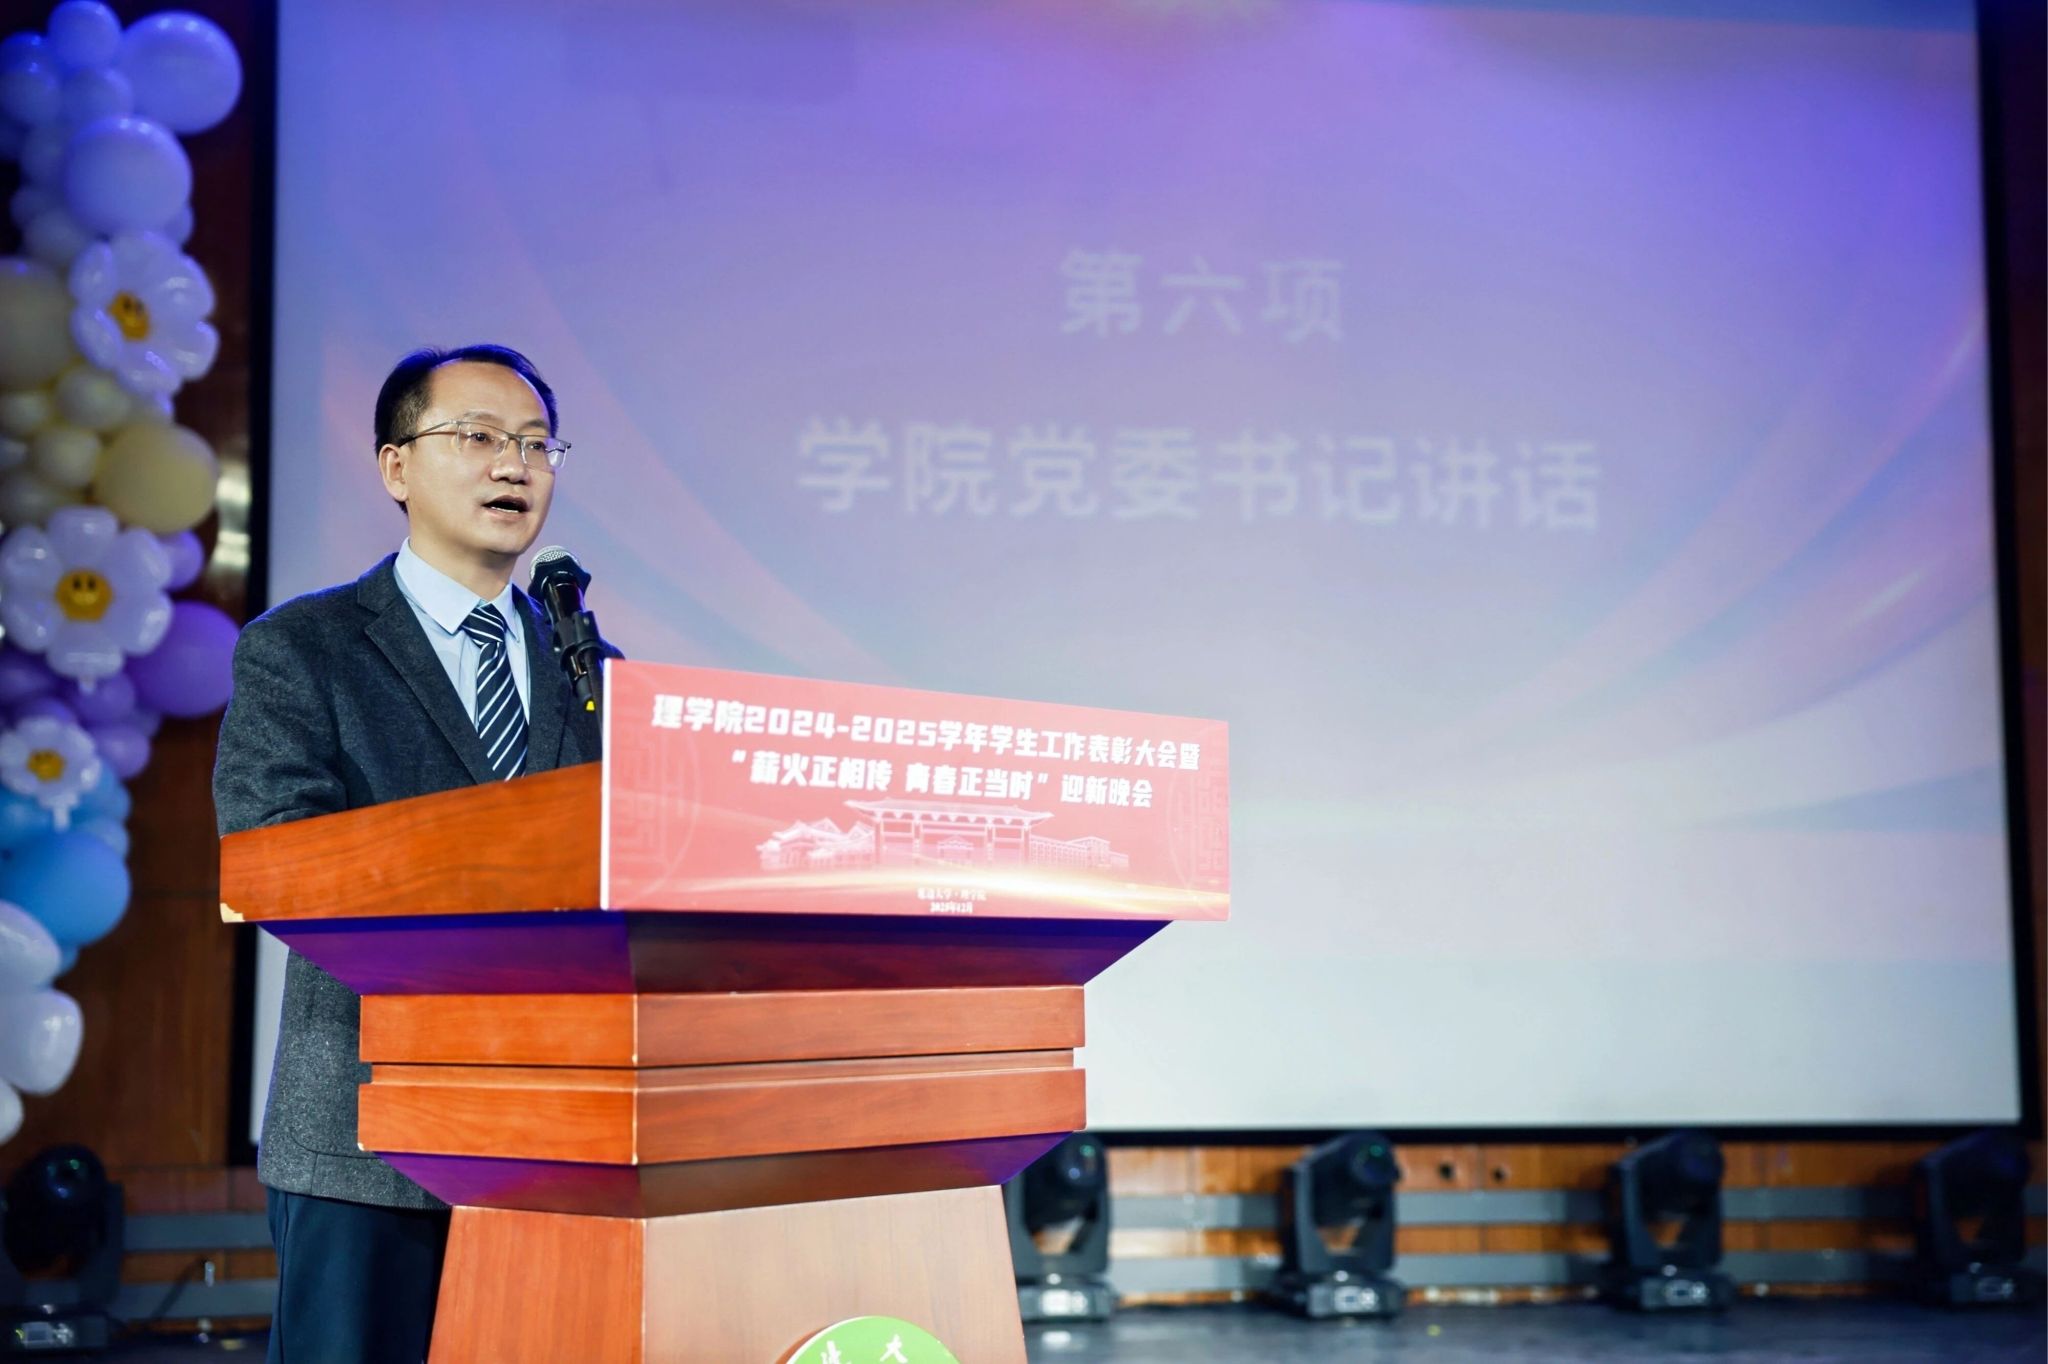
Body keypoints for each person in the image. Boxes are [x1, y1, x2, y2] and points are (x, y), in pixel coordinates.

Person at [213, 345, 603, 1363]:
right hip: (367, 1139)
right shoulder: (305, 648)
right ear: (396, 466)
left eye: (536, 445)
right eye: (478, 437)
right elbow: (274, 853)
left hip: (563, 1139)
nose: (513, 465)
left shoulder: (590, 667)